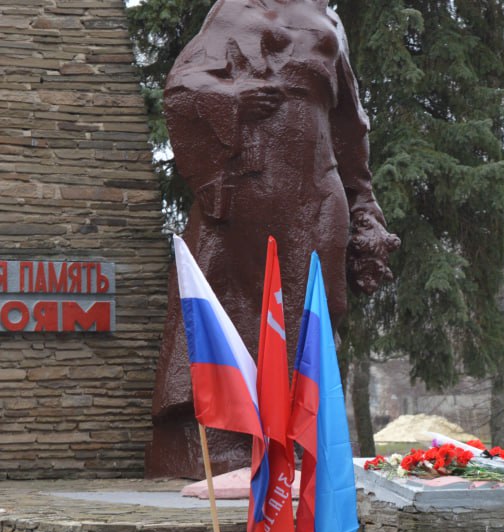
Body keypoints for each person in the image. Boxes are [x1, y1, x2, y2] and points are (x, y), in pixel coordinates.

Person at [146, 0, 399, 479]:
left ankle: (298, 436)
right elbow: (184, 86)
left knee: (322, 307)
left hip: (319, 183)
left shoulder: (330, 18)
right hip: (254, 180)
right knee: (250, 304)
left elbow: (350, 122)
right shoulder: (237, 9)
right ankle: (232, 441)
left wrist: (364, 203)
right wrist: (233, 100)